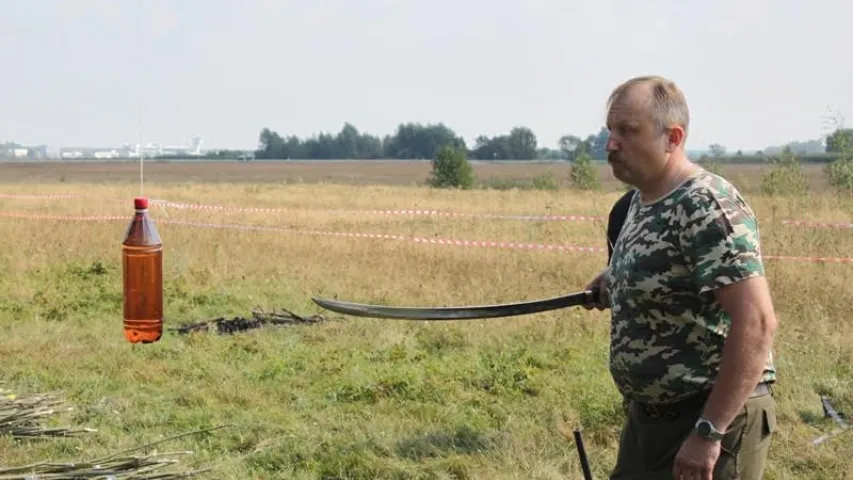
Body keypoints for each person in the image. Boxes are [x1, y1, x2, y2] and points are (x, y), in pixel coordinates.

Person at [585, 75, 779, 480]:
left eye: (628, 131)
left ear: (672, 137)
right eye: (610, 131)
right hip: (649, 423)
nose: (611, 144)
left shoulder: (705, 204)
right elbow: (672, 268)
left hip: (708, 418)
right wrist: (617, 279)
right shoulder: (640, 201)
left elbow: (757, 323)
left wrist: (709, 432)